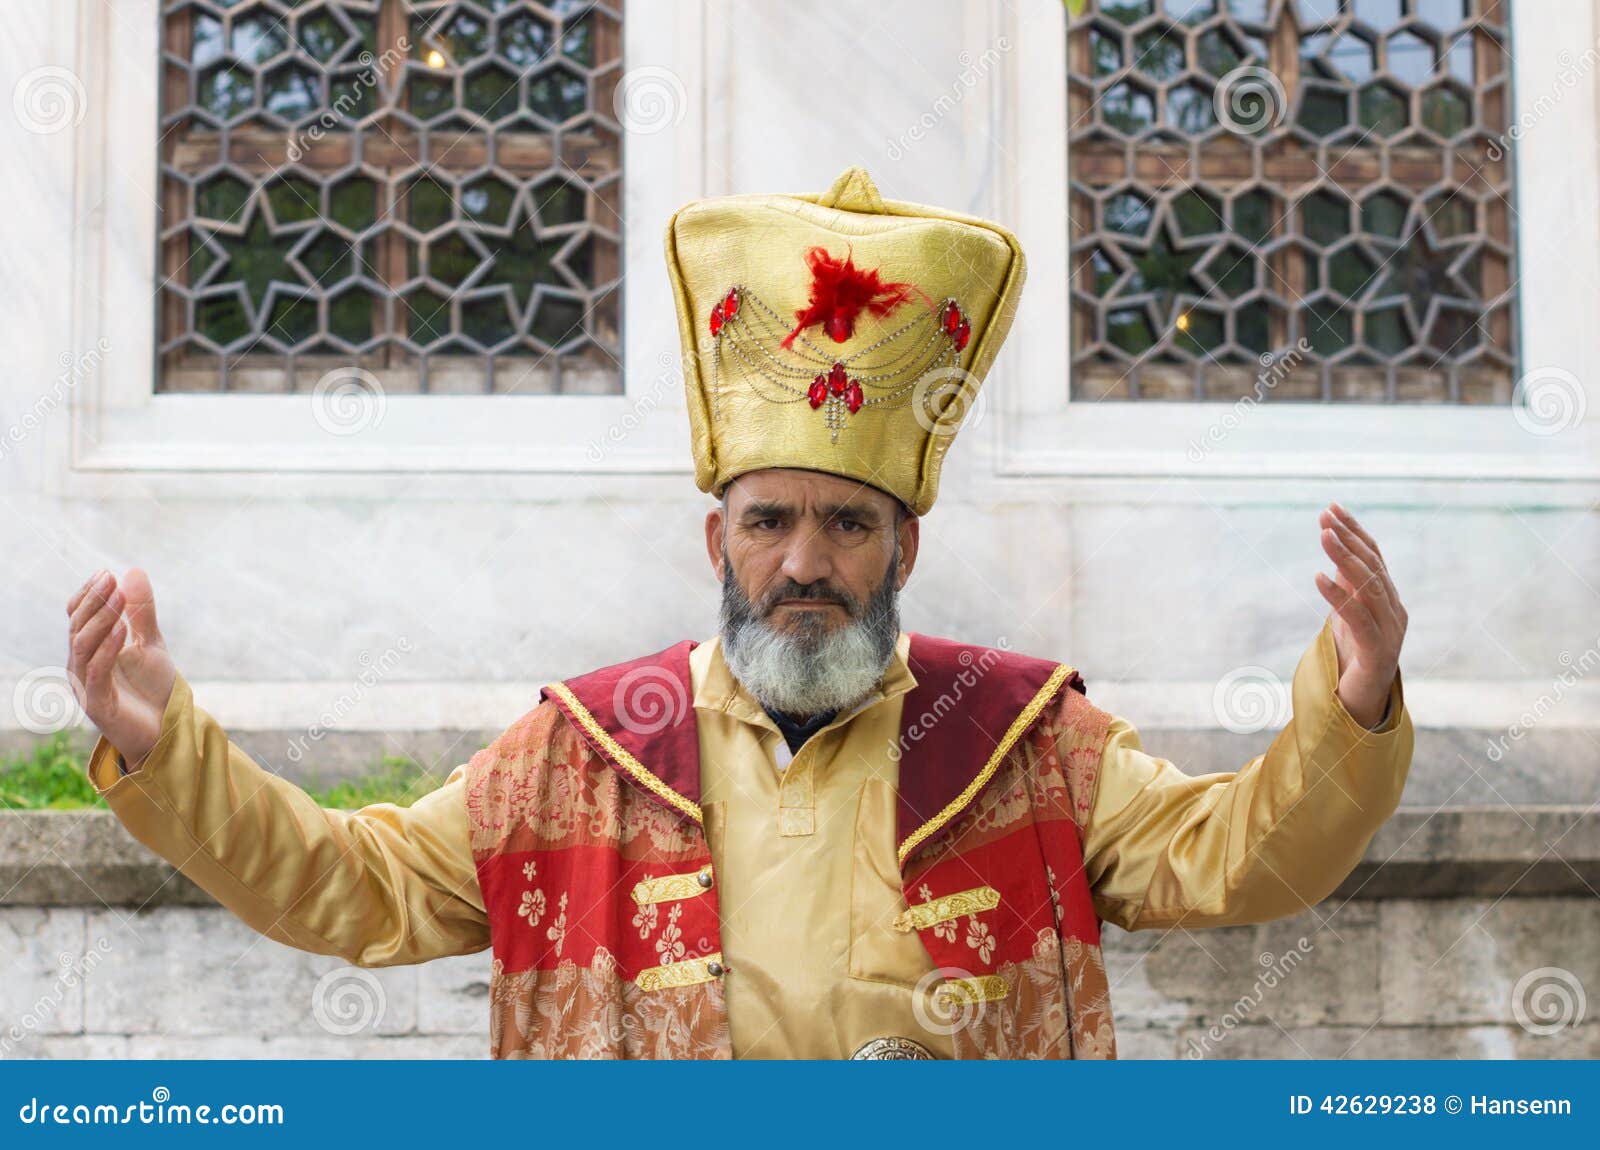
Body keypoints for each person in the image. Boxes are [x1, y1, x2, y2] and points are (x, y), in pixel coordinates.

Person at [66, 167, 1412, 1059]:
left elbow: (1247, 861)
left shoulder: (1023, 742)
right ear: (720, 538)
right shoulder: (586, 752)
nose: (806, 562)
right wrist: (165, 744)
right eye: (770, 521)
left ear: (905, 545)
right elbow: (350, 885)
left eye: (847, 523)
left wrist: (1356, 697)